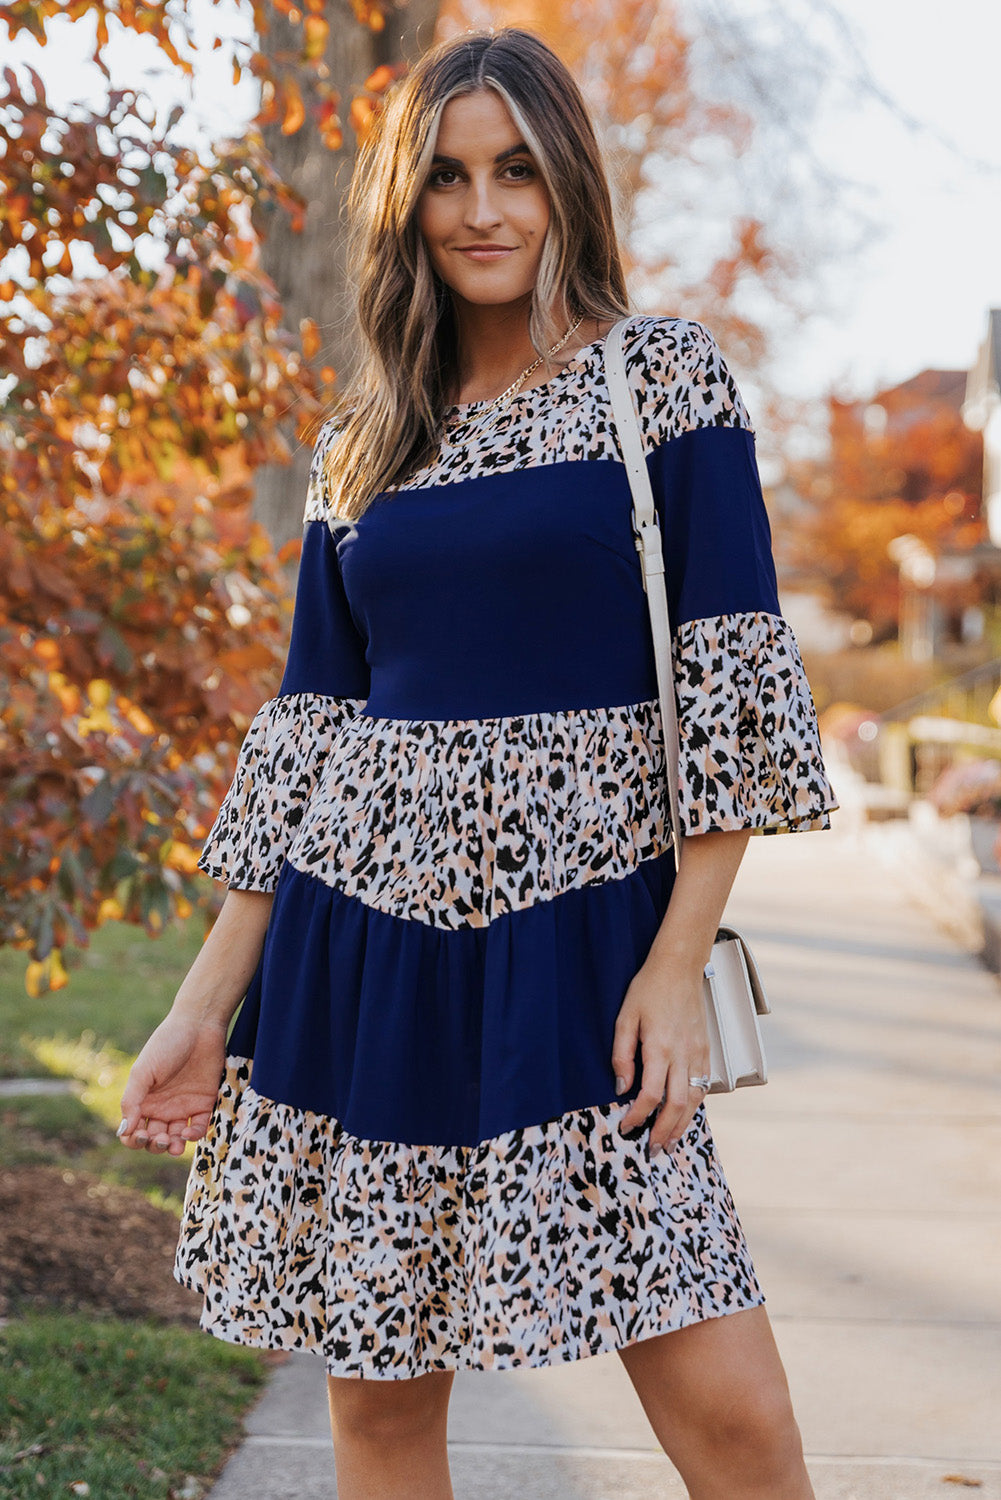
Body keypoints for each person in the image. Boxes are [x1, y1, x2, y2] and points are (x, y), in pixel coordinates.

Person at [117, 25, 839, 1500]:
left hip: (581, 942)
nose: (482, 209)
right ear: (407, 204)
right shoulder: (365, 438)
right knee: (380, 1406)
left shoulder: (660, 382)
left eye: (514, 169)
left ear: (567, 180)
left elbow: (729, 678)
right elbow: (310, 726)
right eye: (445, 178)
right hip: (359, 959)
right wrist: (207, 1004)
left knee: (731, 1411)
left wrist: (670, 963)